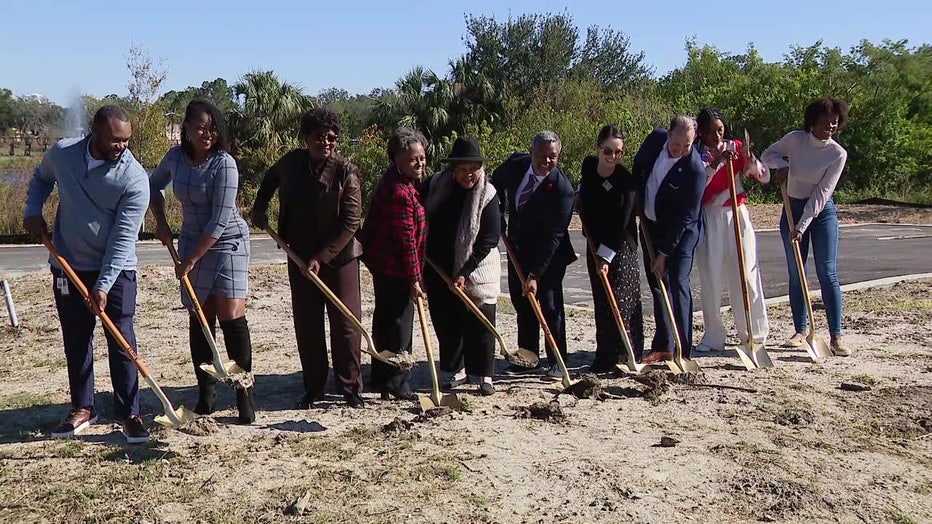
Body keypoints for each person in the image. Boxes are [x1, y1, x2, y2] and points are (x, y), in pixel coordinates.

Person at [23, 105, 150, 443]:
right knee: (77, 339)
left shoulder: (134, 178)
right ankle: (83, 407)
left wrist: (104, 285)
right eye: (114, 140)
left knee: (121, 340)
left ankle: (130, 413)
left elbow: (123, 240)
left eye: (126, 141)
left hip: (116, 271)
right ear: (95, 131)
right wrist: (32, 210)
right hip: (68, 264)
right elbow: (40, 179)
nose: (121, 147)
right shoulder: (63, 154)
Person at [250, 108, 365, 409]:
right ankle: (314, 385)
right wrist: (260, 208)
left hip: (339, 259)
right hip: (298, 256)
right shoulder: (290, 163)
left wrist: (322, 257)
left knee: (345, 324)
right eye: (318, 137)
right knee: (307, 322)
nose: (325, 142)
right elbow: (269, 180)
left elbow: (351, 222)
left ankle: (350, 386)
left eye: (331, 138)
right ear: (305, 138)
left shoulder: (345, 171)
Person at [149, 100, 256, 424]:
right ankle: (206, 395)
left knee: (230, 311)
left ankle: (244, 394)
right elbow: (152, 185)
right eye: (200, 127)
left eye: (213, 128)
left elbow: (221, 221)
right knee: (200, 312)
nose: (207, 133)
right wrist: (161, 220)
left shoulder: (225, 164)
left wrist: (191, 260)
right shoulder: (176, 158)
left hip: (227, 242)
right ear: (186, 128)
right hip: (191, 238)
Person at [762, 97, 850, 356]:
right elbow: (768, 156)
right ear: (812, 121)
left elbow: (822, 194)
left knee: (827, 272)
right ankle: (800, 330)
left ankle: (836, 336)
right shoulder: (795, 140)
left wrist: (802, 226)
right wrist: (783, 166)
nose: (829, 127)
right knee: (797, 271)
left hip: (821, 213)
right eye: (825, 122)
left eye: (834, 123)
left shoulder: (837, 154)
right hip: (792, 207)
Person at [491, 131, 577, 378]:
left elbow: (554, 237)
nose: (547, 161)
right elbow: (495, 183)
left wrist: (534, 275)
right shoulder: (516, 165)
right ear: (532, 152)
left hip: (549, 256)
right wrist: (498, 212)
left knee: (550, 307)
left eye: (553, 156)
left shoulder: (563, 190)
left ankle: (558, 361)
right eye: (542, 155)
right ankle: (528, 359)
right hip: (519, 248)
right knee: (522, 303)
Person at [423, 136, 501, 396]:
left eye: (473, 169)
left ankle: (483, 374)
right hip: (438, 266)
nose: (469, 175)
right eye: (463, 170)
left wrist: (465, 271)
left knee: (481, 320)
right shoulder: (436, 185)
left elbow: (489, 237)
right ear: (453, 170)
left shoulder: (488, 194)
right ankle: (454, 370)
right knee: (447, 320)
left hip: (477, 265)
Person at [693, 108, 770, 353]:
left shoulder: (735, 146)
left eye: (720, 130)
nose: (717, 136)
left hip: (737, 213)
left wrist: (750, 160)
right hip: (710, 216)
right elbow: (697, 184)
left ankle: (753, 332)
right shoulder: (697, 154)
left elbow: (763, 176)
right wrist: (716, 163)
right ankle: (714, 335)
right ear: (701, 133)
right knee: (711, 277)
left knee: (746, 273)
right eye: (711, 132)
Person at [359, 128, 428, 401]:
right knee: (399, 323)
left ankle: (382, 377)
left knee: (386, 318)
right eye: (413, 159)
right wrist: (414, 279)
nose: (420, 163)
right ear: (397, 159)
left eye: (422, 157)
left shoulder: (406, 182)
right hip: (394, 266)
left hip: (386, 266)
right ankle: (398, 383)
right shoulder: (398, 191)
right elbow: (405, 241)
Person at [632, 116, 705, 364]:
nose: (682, 151)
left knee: (677, 282)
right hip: (651, 224)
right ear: (668, 135)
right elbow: (639, 166)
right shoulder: (654, 140)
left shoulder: (694, 169)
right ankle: (664, 345)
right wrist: (636, 200)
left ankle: (683, 351)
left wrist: (664, 253)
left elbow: (685, 217)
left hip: (682, 233)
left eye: (688, 146)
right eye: (677, 145)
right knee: (656, 282)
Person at [576, 124, 643, 371]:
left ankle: (626, 356)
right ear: (598, 148)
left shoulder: (626, 182)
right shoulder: (589, 170)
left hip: (621, 246)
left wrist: (606, 255)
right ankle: (604, 356)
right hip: (594, 243)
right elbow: (586, 194)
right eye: (608, 151)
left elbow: (620, 222)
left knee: (622, 302)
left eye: (618, 152)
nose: (613, 157)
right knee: (602, 301)